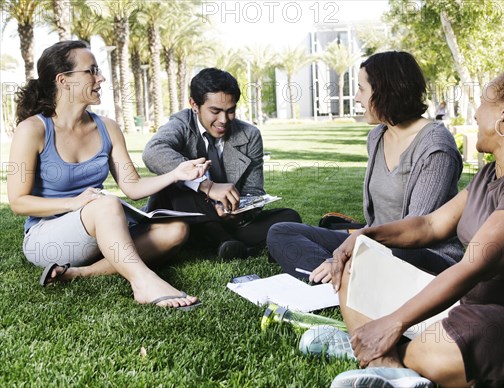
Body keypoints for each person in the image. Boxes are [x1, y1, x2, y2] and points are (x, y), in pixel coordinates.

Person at [327, 66, 504, 387]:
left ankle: (383, 353)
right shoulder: (488, 175)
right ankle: (389, 363)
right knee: (358, 259)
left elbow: (475, 265)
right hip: (470, 309)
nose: (476, 114)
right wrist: (364, 235)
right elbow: (429, 225)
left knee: (469, 335)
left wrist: (394, 322)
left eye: (483, 102)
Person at [7, 40, 208, 310]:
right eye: (91, 71)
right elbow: (19, 202)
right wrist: (76, 202)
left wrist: (177, 173)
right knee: (105, 203)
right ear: (63, 80)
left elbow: (132, 186)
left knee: (175, 231)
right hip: (47, 240)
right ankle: (143, 282)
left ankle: (80, 273)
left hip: (103, 231)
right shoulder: (32, 130)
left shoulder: (108, 128)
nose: (100, 78)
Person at [267, 51, 463, 281]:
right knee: (281, 232)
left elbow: (416, 230)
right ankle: (339, 278)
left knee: (397, 252)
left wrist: (356, 249)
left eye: (361, 89)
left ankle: (341, 275)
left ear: (386, 91)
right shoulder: (377, 137)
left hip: (421, 253)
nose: (357, 98)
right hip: (373, 244)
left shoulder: (436, 147)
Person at [142, 68, 301, 260]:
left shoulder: (249, 135)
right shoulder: (182, 123)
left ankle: (223, 243)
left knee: (289, 218)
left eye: (230, 111)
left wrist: (240, 212)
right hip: (185, 217)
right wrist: (206, 186)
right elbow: (153, 151)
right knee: (178, 186)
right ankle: (223, 241)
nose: (224, 120)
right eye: (215, 111)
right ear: (194, 104)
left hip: (228, 222)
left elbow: (254, 191)